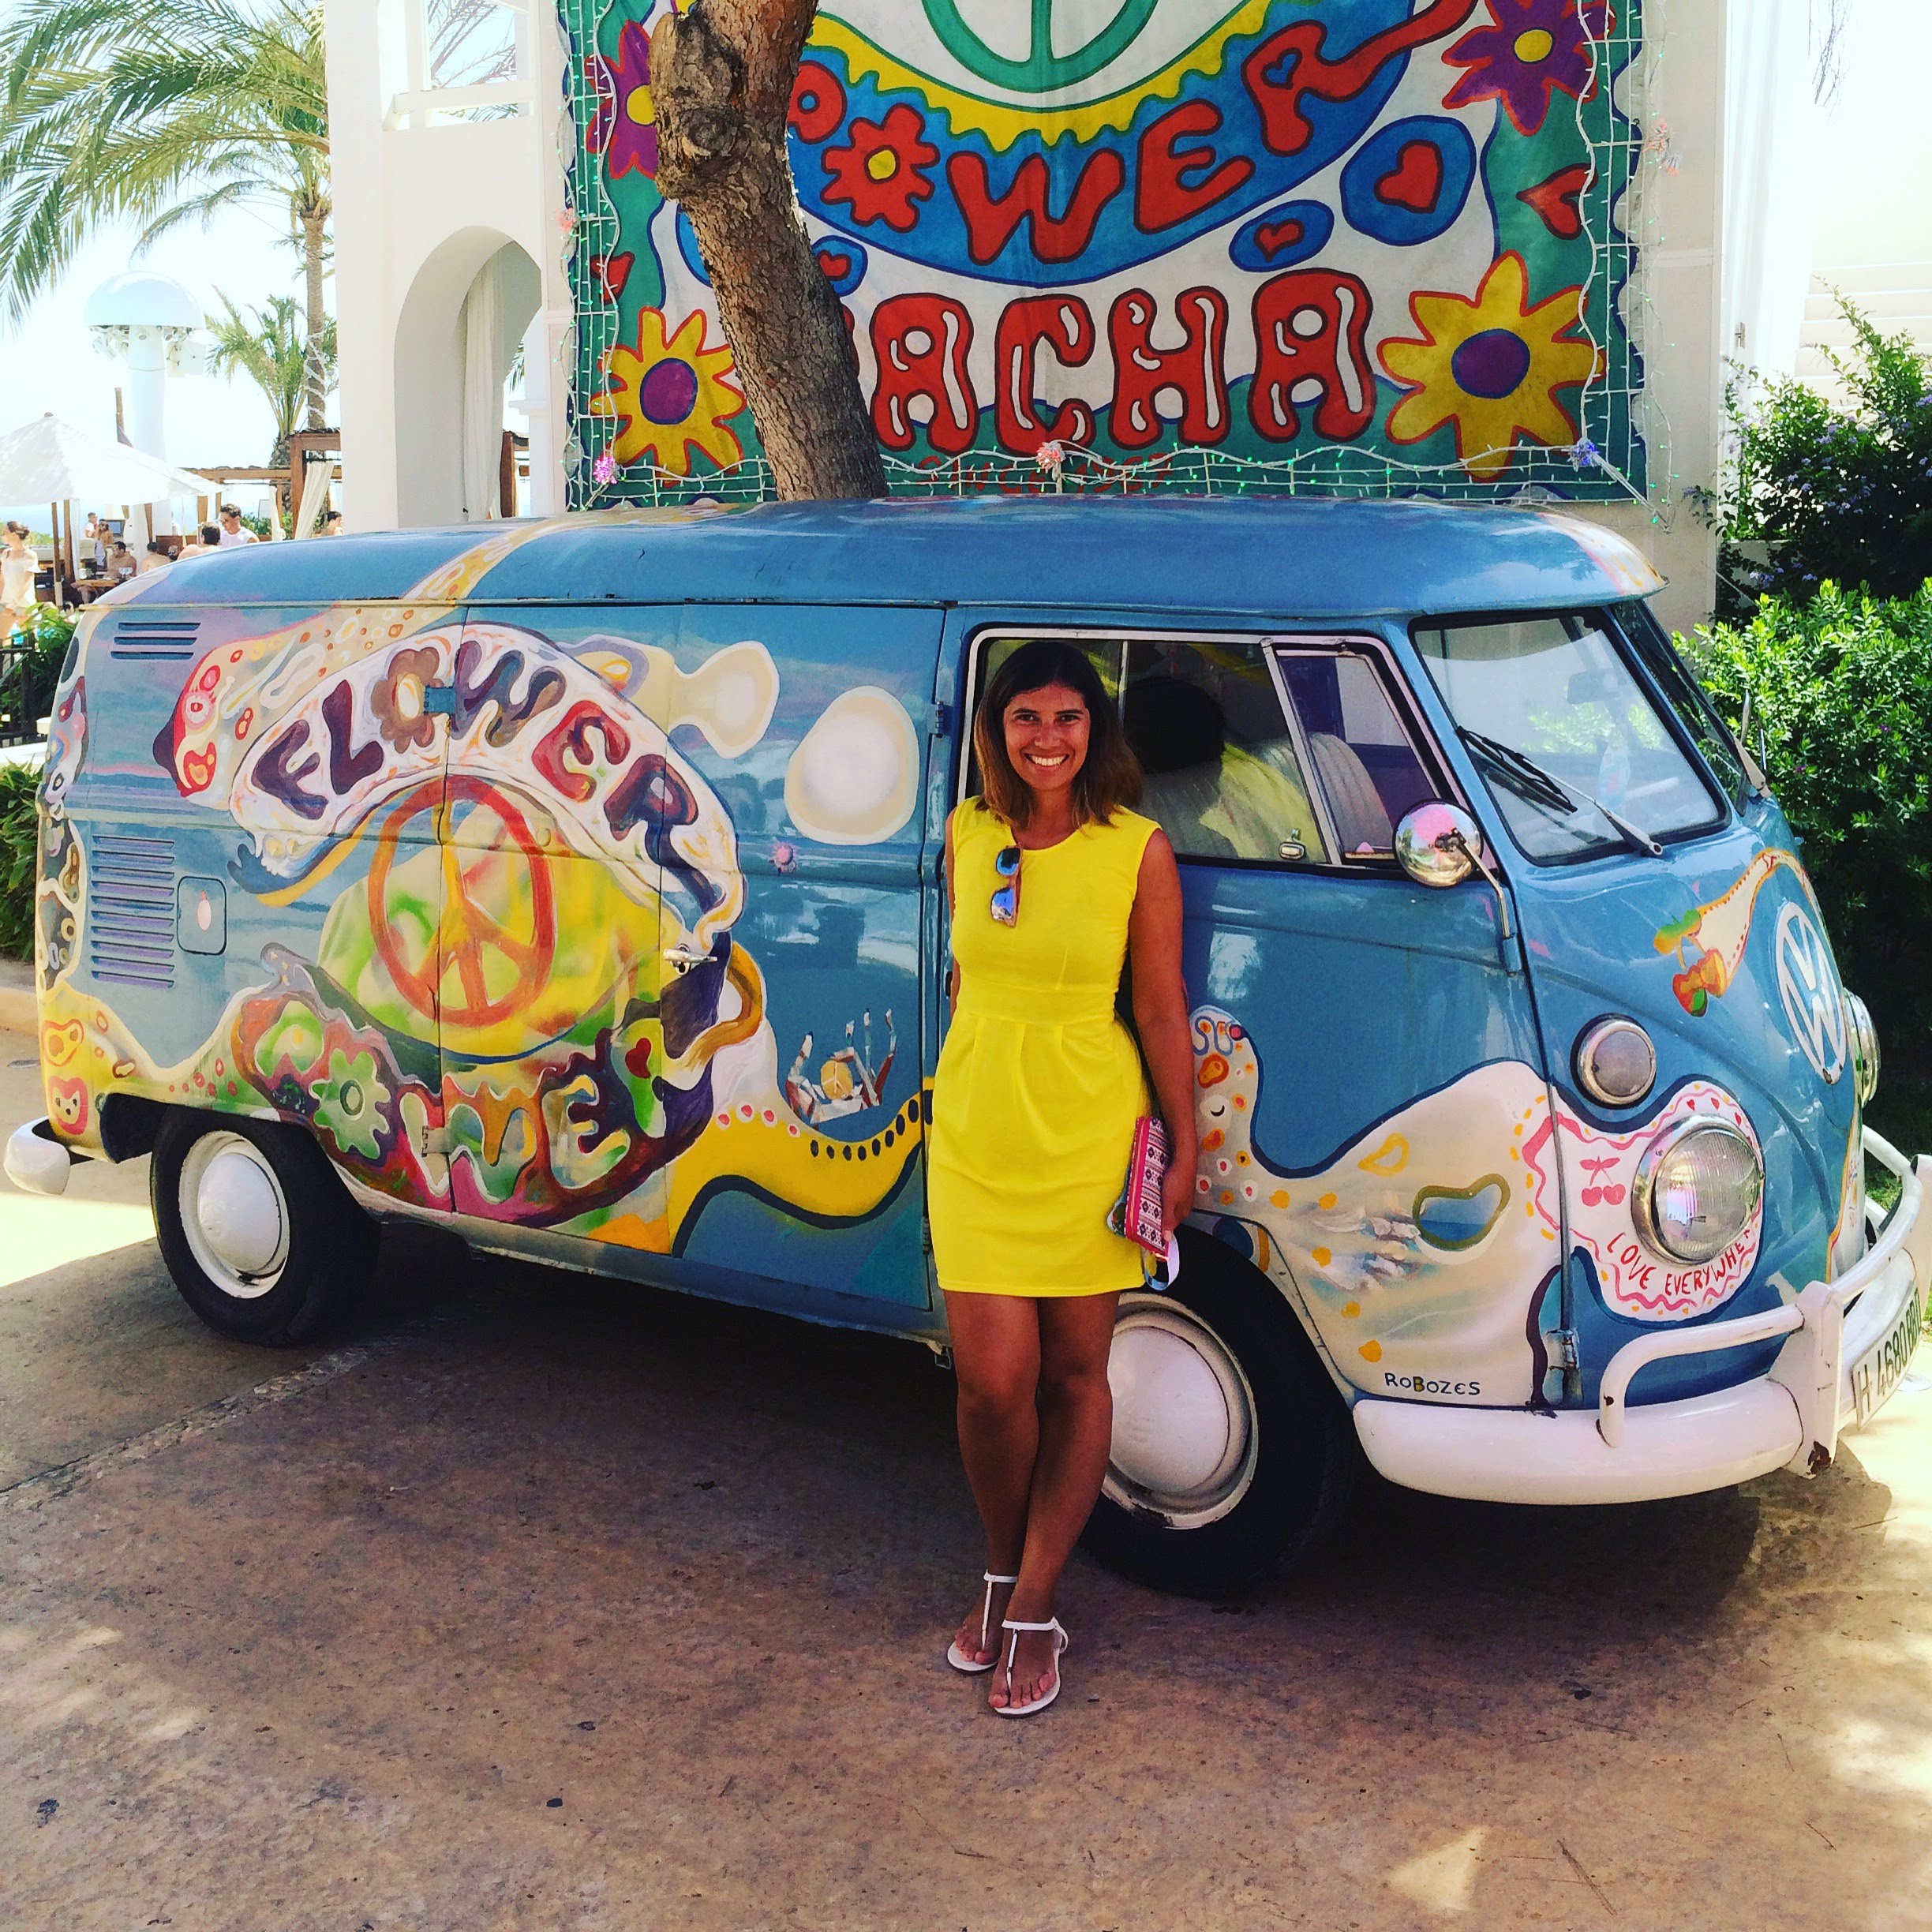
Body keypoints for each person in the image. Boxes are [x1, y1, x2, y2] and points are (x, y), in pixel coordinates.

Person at [933, 638, 1196, 1718]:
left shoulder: (1137, 850)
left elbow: (1162, 1008)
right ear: (996, 732)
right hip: (977, 1130)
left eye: (1068, 717)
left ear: (1097, 730)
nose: (1047, 738)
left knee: (1076, 1376)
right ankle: (1001, 1570)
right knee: (990, 1387)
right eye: (1026, 718)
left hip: (1087, 1128)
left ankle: (1036, 1603)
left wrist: (1183, 1150)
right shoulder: (969, 832)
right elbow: (967, 975)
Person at [2, 522, 36, 618]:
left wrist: (14, 602)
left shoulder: (29, 555)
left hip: (24, 604)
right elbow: (2, 579)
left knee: (26, 629)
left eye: (5, 533)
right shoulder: (6, 553)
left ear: (14, 534)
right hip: (5, 602)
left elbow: (28, 581)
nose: (2, 536)